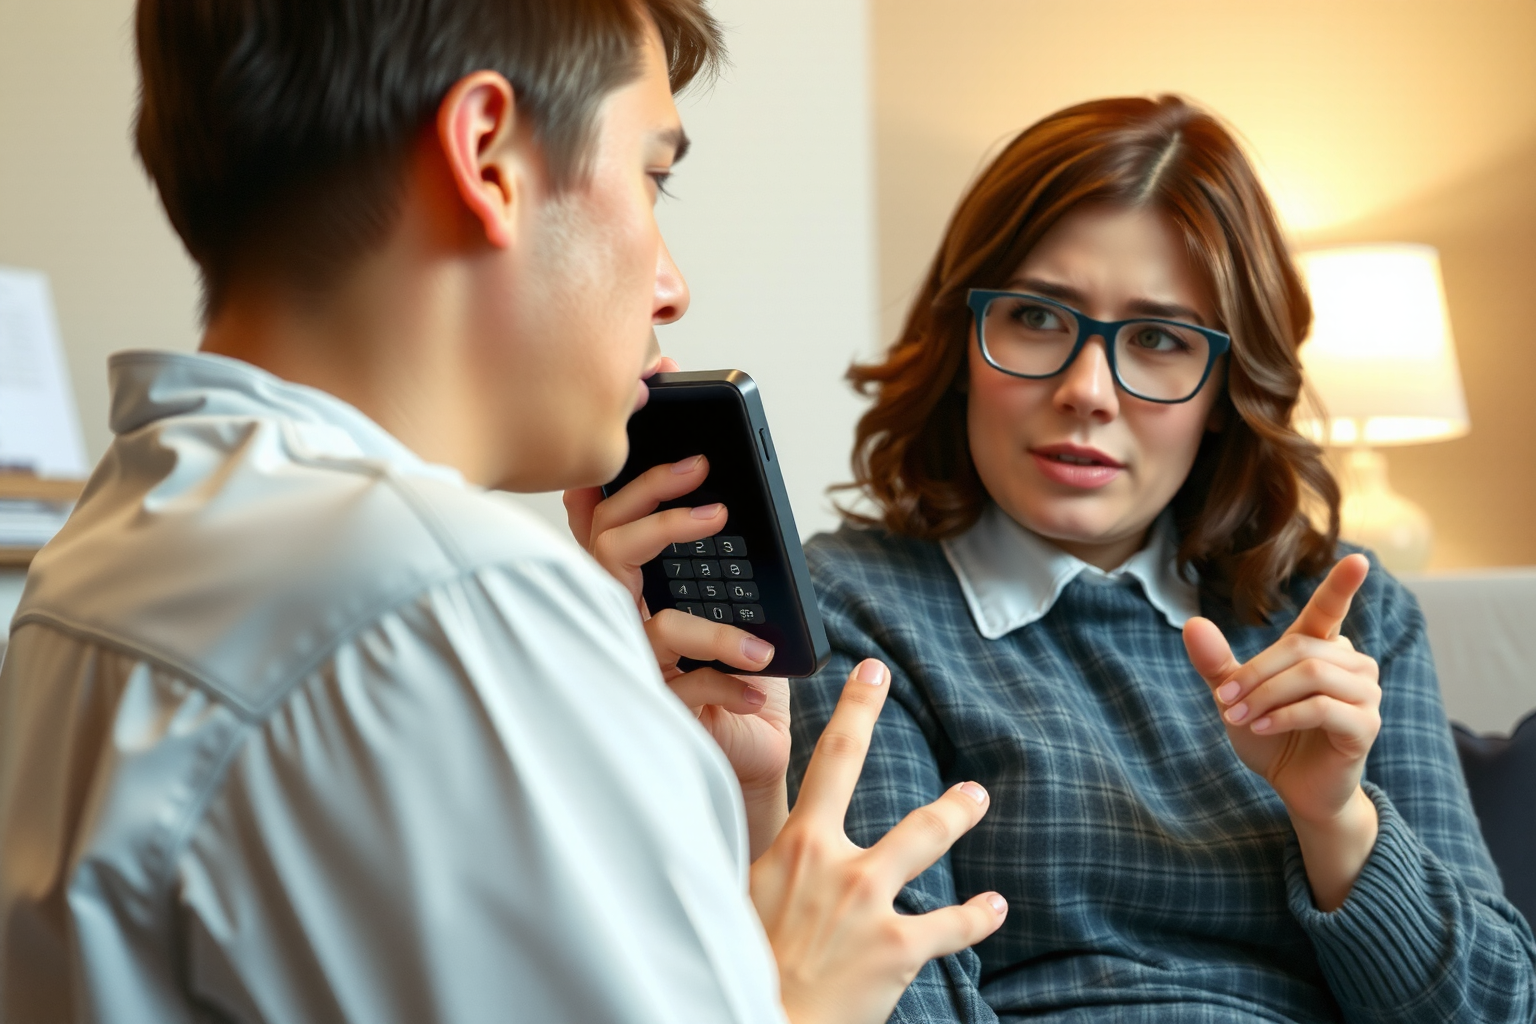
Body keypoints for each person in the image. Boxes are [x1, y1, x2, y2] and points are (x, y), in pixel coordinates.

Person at [0, 2, 1009, 1021]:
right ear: (487, 158)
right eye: (652, 177)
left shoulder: (99, 549)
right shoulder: (456, 601)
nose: (672, 286)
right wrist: (798, 996)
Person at [788, 95, 1536, 1023]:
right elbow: (894, 994)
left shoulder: (1349, 613)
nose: (1086, 391)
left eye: (1158, 340)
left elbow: (1497, 1008)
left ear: (1225, 388)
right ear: (961, 339)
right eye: (1035, 317)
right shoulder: (849, 605)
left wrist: (1335, 817)